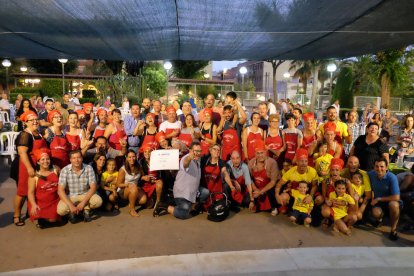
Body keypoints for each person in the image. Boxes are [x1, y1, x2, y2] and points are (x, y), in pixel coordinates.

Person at [155, 142, 210, 219]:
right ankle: (163, 206)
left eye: (200, 151)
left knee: (205, 192)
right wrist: (190, 158)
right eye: (196, 151)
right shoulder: (186, 158)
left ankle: (192, 207)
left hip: (193, 191)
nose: (198, 153)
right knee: (184, 214)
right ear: (190, 150)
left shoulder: (198, 159)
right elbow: (185, 164)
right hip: (182, 193)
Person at [13, 111, 47, 226]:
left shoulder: (39, 133)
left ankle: (31, 212)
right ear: (25, 123)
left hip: (37, 165)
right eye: (31, 120)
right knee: (22, 192)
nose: (35, 121)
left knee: (34, 190)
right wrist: (29, 168)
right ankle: (17, 215)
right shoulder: (24, 134)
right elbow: (22, 153)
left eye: (36, 119)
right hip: (24, 165)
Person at [57, 150, 103, 223]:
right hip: (71, 196)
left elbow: (93, 187)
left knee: (98, 201)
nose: (76, 160)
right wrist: (71, 206)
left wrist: (83, 203)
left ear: (82, 158)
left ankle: (86, 209)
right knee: (61, 210)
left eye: (78, 157)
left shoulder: (88, 168)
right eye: (74, 158)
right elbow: (60, 190)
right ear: (70, 160)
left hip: (85, 194)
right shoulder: (65, 170)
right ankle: (72, 212)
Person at [275, 148, 319, 214]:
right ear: (297, 162)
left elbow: (314, 186)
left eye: (305, 161)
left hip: (306, 195)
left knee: (319, 199)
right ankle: (288, 207)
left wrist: (310, 196)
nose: (304, 164)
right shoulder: (291, 171)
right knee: (283, 197)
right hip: (294, 195)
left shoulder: (312, 171)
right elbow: (279, 185)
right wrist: (277, 196)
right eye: (301, 161)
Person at [368, 157, 401, 241]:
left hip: (391, 201)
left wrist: (378, 199)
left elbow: (396, 197)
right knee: (376, 213)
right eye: (377, 166)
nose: (379, 169)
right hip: (380, 204)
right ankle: (380, 219)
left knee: (393, 205)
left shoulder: (392, 177)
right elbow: (360, 174)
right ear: (374, 167)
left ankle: (393, 230)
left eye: (382, 166)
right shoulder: (371, 174)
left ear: (386, 167)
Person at [27, 149, 61, 228]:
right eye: (42, 159)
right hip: (41, 202)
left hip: (55, 200)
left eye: (47, 159)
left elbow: (63, 184)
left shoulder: (56, 169)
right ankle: (41, 219)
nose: (45, 161)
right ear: (38, 162)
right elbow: (30, 192)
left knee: (55, 218)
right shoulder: (34, 176)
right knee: (50, 220)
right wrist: (33, 205)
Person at [248, 140, 279, 212]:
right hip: (257, 186)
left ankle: (274, 207)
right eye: (257, 153)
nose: (260, 155)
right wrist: (255, 189)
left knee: (271, 193)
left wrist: (260, 192)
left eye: (262, 153)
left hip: (269, 187)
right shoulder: (251, 162)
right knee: (247, 198)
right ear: (255, 153)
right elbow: (249, 179)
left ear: (265, 152)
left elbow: (273, 182)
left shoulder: (272, 162)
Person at [116, 150, 147, 217]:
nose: (132, 159)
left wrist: (144, 177)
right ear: (126, 158)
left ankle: (131, 202)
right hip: (123, 190)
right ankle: (132, 210)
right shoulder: (122, 169)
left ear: (136, 157)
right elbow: (118, 184)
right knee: (133, 188)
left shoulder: (139, 167)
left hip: (134, 188)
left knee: (143, 200)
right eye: (129, 157)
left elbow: (141, 177)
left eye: (133, 156)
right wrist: (127, 185)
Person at [139, 146, 163, 210]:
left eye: (149, 152)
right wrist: (142, 177)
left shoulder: (157, 161)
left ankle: (158, 202)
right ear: (143, 153)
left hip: (155, 183)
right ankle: (150, 199)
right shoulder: (140, 162)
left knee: (160, 183)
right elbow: (136, 176)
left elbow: (161, 175)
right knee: (149, 206)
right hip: (145, 184)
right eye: (145, 152)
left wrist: (156, 180)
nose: (147, 153)